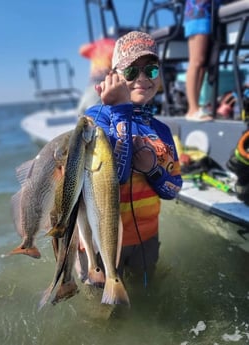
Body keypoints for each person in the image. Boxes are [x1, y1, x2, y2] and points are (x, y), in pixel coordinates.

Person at [78, 31, 182, 285]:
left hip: (146, 239)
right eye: (131, 72)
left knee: (148, 295)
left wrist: (153, 169)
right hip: (102, 239)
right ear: (113, 76)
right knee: (102, 313)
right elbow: (118, 176)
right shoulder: (96, 118)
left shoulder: (162, 130)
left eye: (151, 71)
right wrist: (122, 109)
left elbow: (173, 189)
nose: (143, 79)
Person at [183, 0, 222, 121]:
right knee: (196, 61)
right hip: (198, 13)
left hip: (211, 14)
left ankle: (196, 107)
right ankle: (192, 109)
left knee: (203, 64)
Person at [76, 38, 116, 115]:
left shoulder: (95, 47)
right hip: (103, 80)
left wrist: (94, 45)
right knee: (92, 109)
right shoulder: (114, 46)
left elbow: (82, 50)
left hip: (95, 82)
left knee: (83, 110)